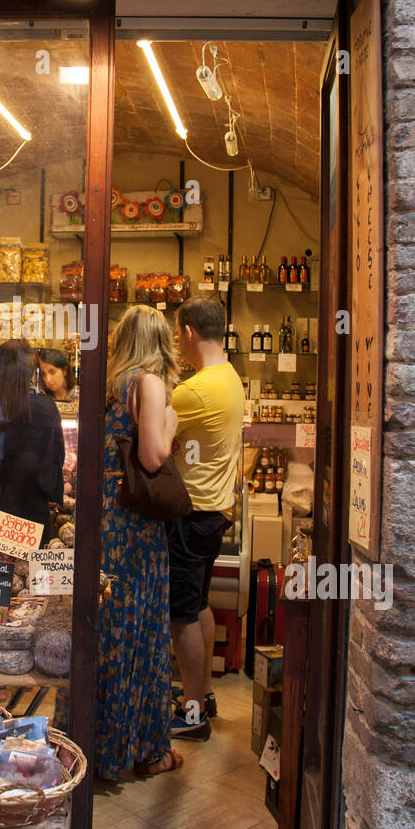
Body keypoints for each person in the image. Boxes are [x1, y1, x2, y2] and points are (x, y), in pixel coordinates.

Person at [96, 305, 183, 780]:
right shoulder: (148, 383)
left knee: (111, 627)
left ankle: (102, 742)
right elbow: (152, 458)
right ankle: (145, 751)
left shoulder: (112, 385)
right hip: (137, 525)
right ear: (160, 341)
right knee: (143, 628)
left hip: (109, 518)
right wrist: (169, 423)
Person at [169, 297, 246, 740]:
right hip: (214, 513)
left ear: (189, 333)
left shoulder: (194, 390)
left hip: (190, 514)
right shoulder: (230, 378)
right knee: (199, 605)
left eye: (179, 333)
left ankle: (192, 714)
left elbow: (153, 436)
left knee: (181, 619)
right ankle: (206, 694)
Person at [0, 339, 64, 529]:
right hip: (33, 512)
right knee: (29, 559)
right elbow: (57, 460)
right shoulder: (46, 406)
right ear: (31, 369)